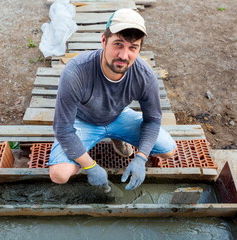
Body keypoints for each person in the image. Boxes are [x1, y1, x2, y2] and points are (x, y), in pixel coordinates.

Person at [48, 8, 177, 190]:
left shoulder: (145, 75)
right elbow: (62, 129)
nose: (124, 56)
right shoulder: (76, 72)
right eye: (118, 44)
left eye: (133, 48)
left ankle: (117, 137)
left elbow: (153, 120)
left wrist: (141, 158)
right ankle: (92, 146)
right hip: (83, 120)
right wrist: (91, 166)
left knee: (168, 150)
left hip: (118, 115)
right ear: (103, 41)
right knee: (59, 174)